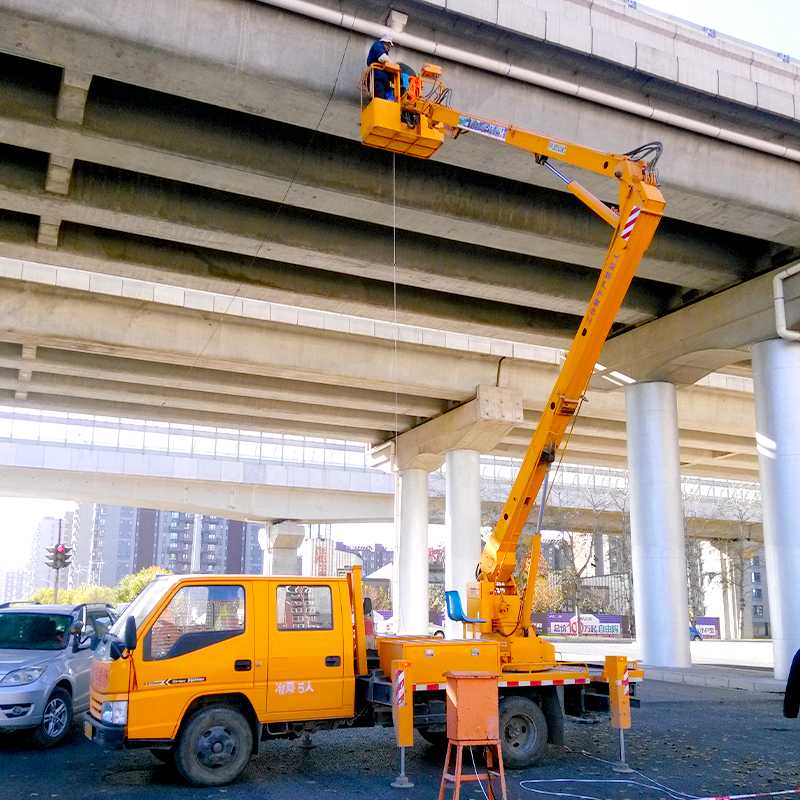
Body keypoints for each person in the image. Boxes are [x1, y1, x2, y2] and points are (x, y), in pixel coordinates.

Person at [367, 35, 396, 101]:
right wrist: (394, 66)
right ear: (384, 42)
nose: (389, 48)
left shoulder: (383, 51)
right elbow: (383, 58)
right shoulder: (378, 45)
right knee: (380, 100)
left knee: (384, 100)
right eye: (389, 45)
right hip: (377, 78)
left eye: (390, 46)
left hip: (382, 80)